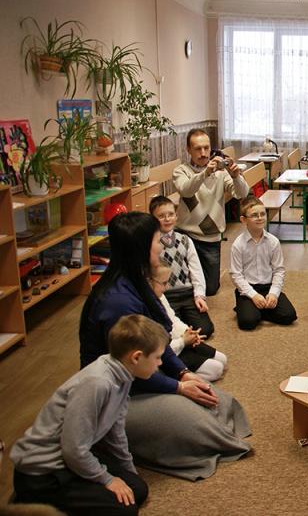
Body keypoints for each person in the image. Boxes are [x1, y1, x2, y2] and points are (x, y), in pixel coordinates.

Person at [79, 211, 251, 480]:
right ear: (142, 248)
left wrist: (183, 373)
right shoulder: (118, 303)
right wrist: (178, 387)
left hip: (146, 375)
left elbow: (157, 343)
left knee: (216, 399)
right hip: (120, 395)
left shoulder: (138, 280)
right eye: (157, 240)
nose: (161, 246)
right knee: (195, 421)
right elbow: (132, 370)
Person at [11, 315, 164, 516]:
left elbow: (115, 431)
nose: (160, 363)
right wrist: (107, 479)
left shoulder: (125, 375)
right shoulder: (97, 383)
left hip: (70, 457)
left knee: (138, 489)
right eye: (157, 357)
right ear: (136, 357)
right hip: (44, 472)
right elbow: (73, 449)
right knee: (124, 510)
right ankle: (33, 500)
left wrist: (129, 472)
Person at [172, 129, 248, 296]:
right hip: (185, 235)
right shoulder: (181, 171)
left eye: (206, 148)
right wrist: (205, 173)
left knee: (211, 289)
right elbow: (186, 190)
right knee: (181, 285)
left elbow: (241, 193)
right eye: (198, 149)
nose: (203, 153)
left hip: (210, 237)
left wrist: (236, 176)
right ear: (188, 150)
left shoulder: (221, 173)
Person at [150, 261, 227, 381]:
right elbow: (159, 348)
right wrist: (183, 341)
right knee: (216, 369)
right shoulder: (146, 308)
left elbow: (173, 319)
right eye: (164, 283)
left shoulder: (160, 296)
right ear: (149, 282)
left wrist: (188, 333)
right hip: (170, 350)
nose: (167, 287)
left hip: (179, 341)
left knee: (222, 359)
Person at [149, 195, 214, 337]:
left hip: (187, 293)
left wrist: (199, 296)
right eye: (161, 216)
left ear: (176, 216)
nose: (167, 219)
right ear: (152, 219)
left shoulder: (185, 240)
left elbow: (196, 269)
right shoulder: (152, 243)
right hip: (166, 295)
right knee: (172, 332)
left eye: (171, 214)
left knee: (206, 330)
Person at [230, 196, 297, 330]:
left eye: (263, 214)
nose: (260, 218)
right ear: (244, 220)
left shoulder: (273, 242)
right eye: (254, 215)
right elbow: (236, 275)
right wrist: (253, 296)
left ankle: (256, 310)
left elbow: (279, 270)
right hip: (248, 288)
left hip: (268, 287)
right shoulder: (238, 244)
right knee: (248, 322)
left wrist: (274, 293)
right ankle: (248, 308)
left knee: (289, 316)